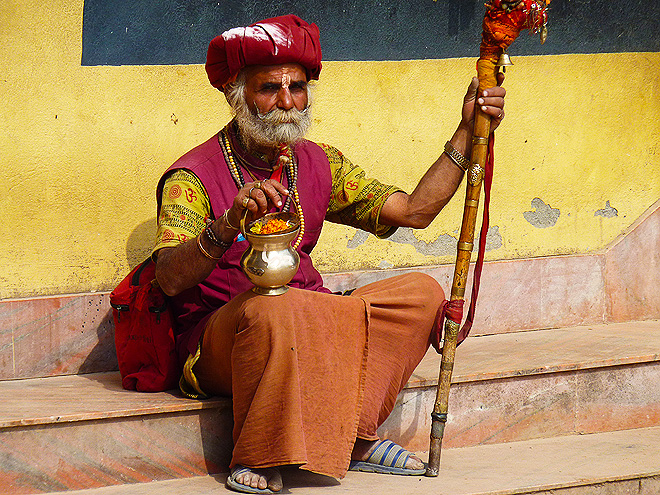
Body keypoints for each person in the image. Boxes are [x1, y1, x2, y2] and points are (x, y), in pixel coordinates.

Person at [152, 14, 505, 495]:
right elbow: (169, 279)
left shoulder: (320, 162)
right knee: (276, 307)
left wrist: (467, 130)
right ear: (237, 94)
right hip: (224, 337)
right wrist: (229, 224)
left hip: (306, 316)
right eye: (268, 88)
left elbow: (414, 211)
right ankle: (257, 453)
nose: (285, 102)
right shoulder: (191, 176)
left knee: (421, 296)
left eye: (296, 87)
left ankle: (355, 436)